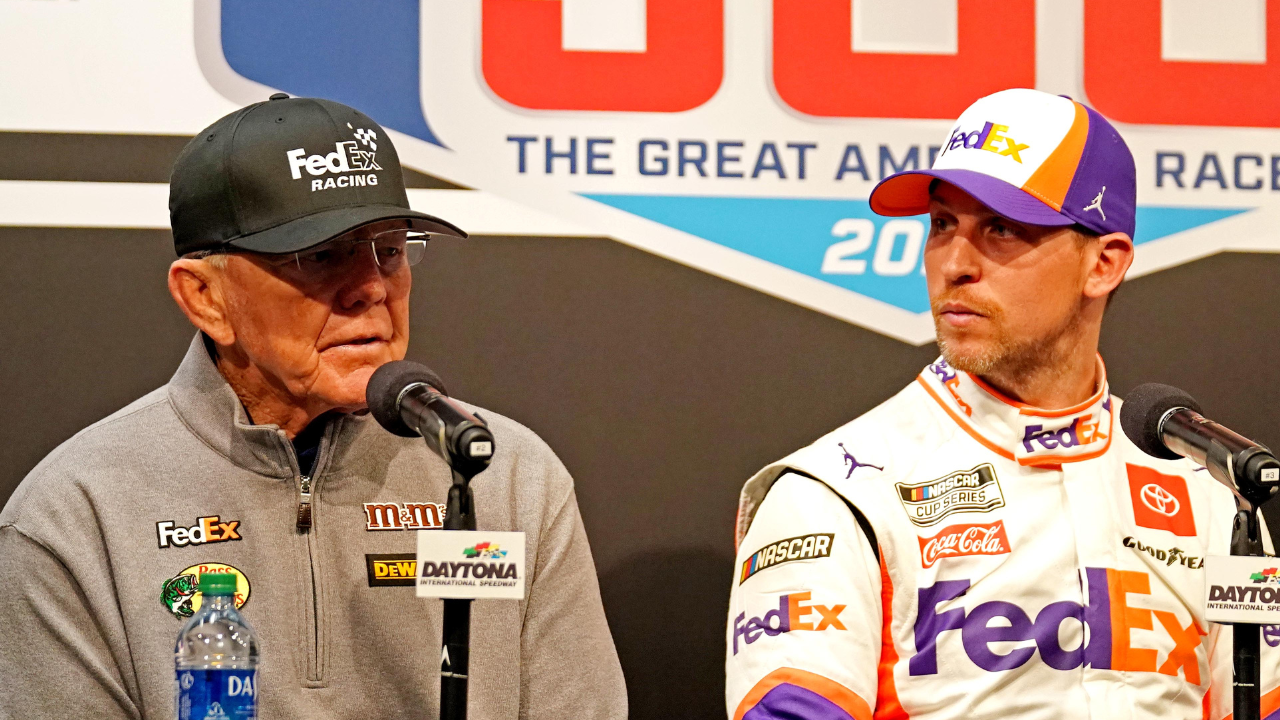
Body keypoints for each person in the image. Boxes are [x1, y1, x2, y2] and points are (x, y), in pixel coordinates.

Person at [0, 95, 626, 719]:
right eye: (320, 256)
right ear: (205, 298)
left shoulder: (509, 474)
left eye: (389, 249)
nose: (372, 288)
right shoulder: (77, 511)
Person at [724, 88, 1276, 719]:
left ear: (1103, 264)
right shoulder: (837, 491)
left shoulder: (1212, 491)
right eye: (941, 226)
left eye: (1002, 229)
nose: (954, 263)